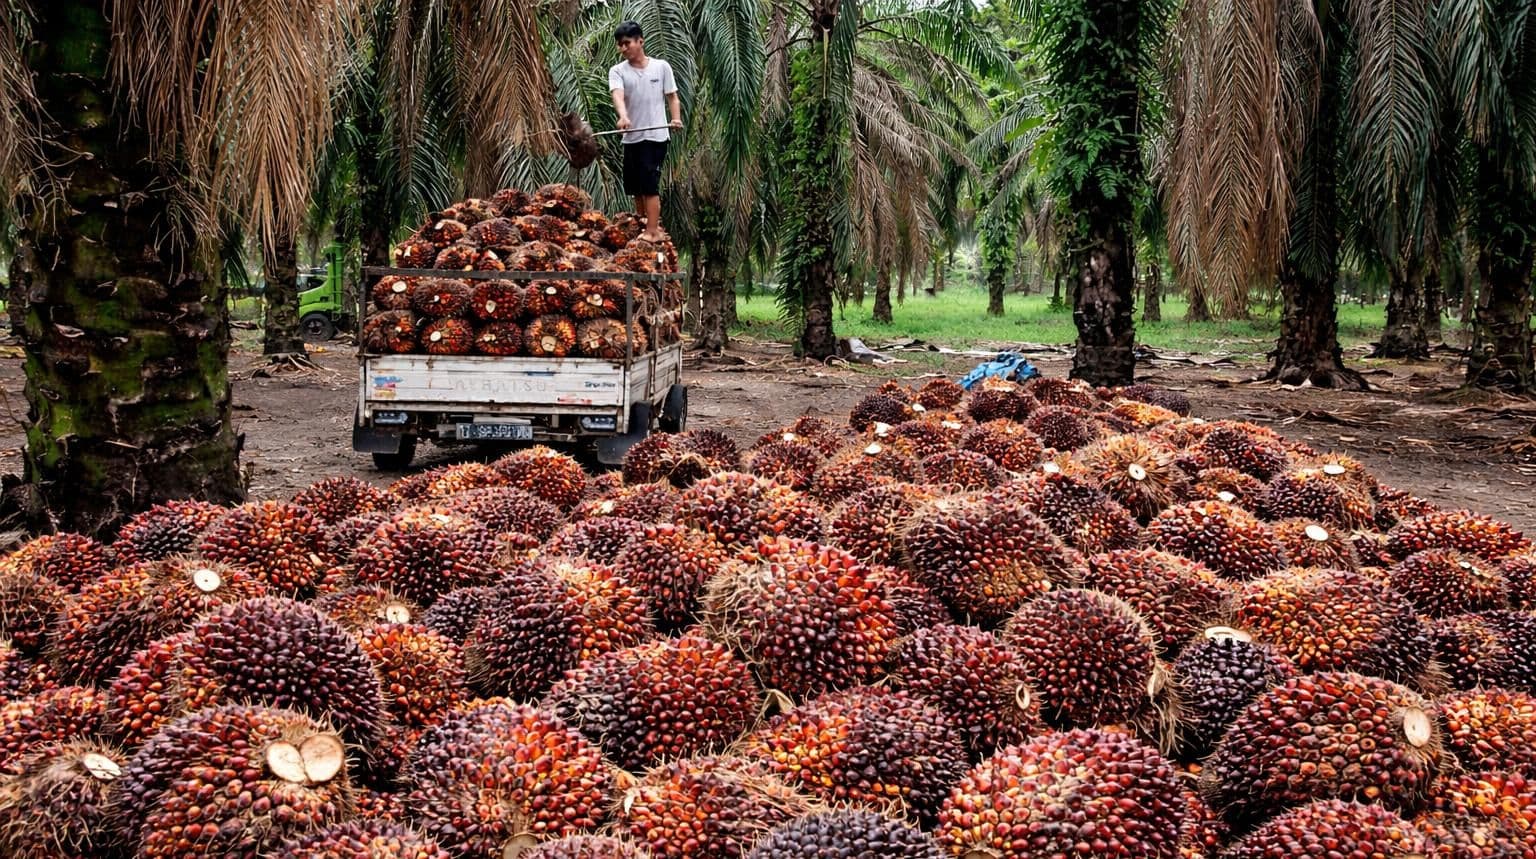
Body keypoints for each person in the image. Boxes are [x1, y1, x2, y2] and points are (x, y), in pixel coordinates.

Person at [609, 20, 682, 243]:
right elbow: (618, 95)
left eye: (627, 43)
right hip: (632, 137)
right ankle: (643, 224)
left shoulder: (661, 67)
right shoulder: (617, 71)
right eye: (620, 45)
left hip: (656, 136)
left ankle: (653, 230)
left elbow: (672, 96)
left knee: (650, 185)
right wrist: (623, 116)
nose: (623, 49)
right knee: (636, 187)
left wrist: (676, 118)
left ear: (641, 41)